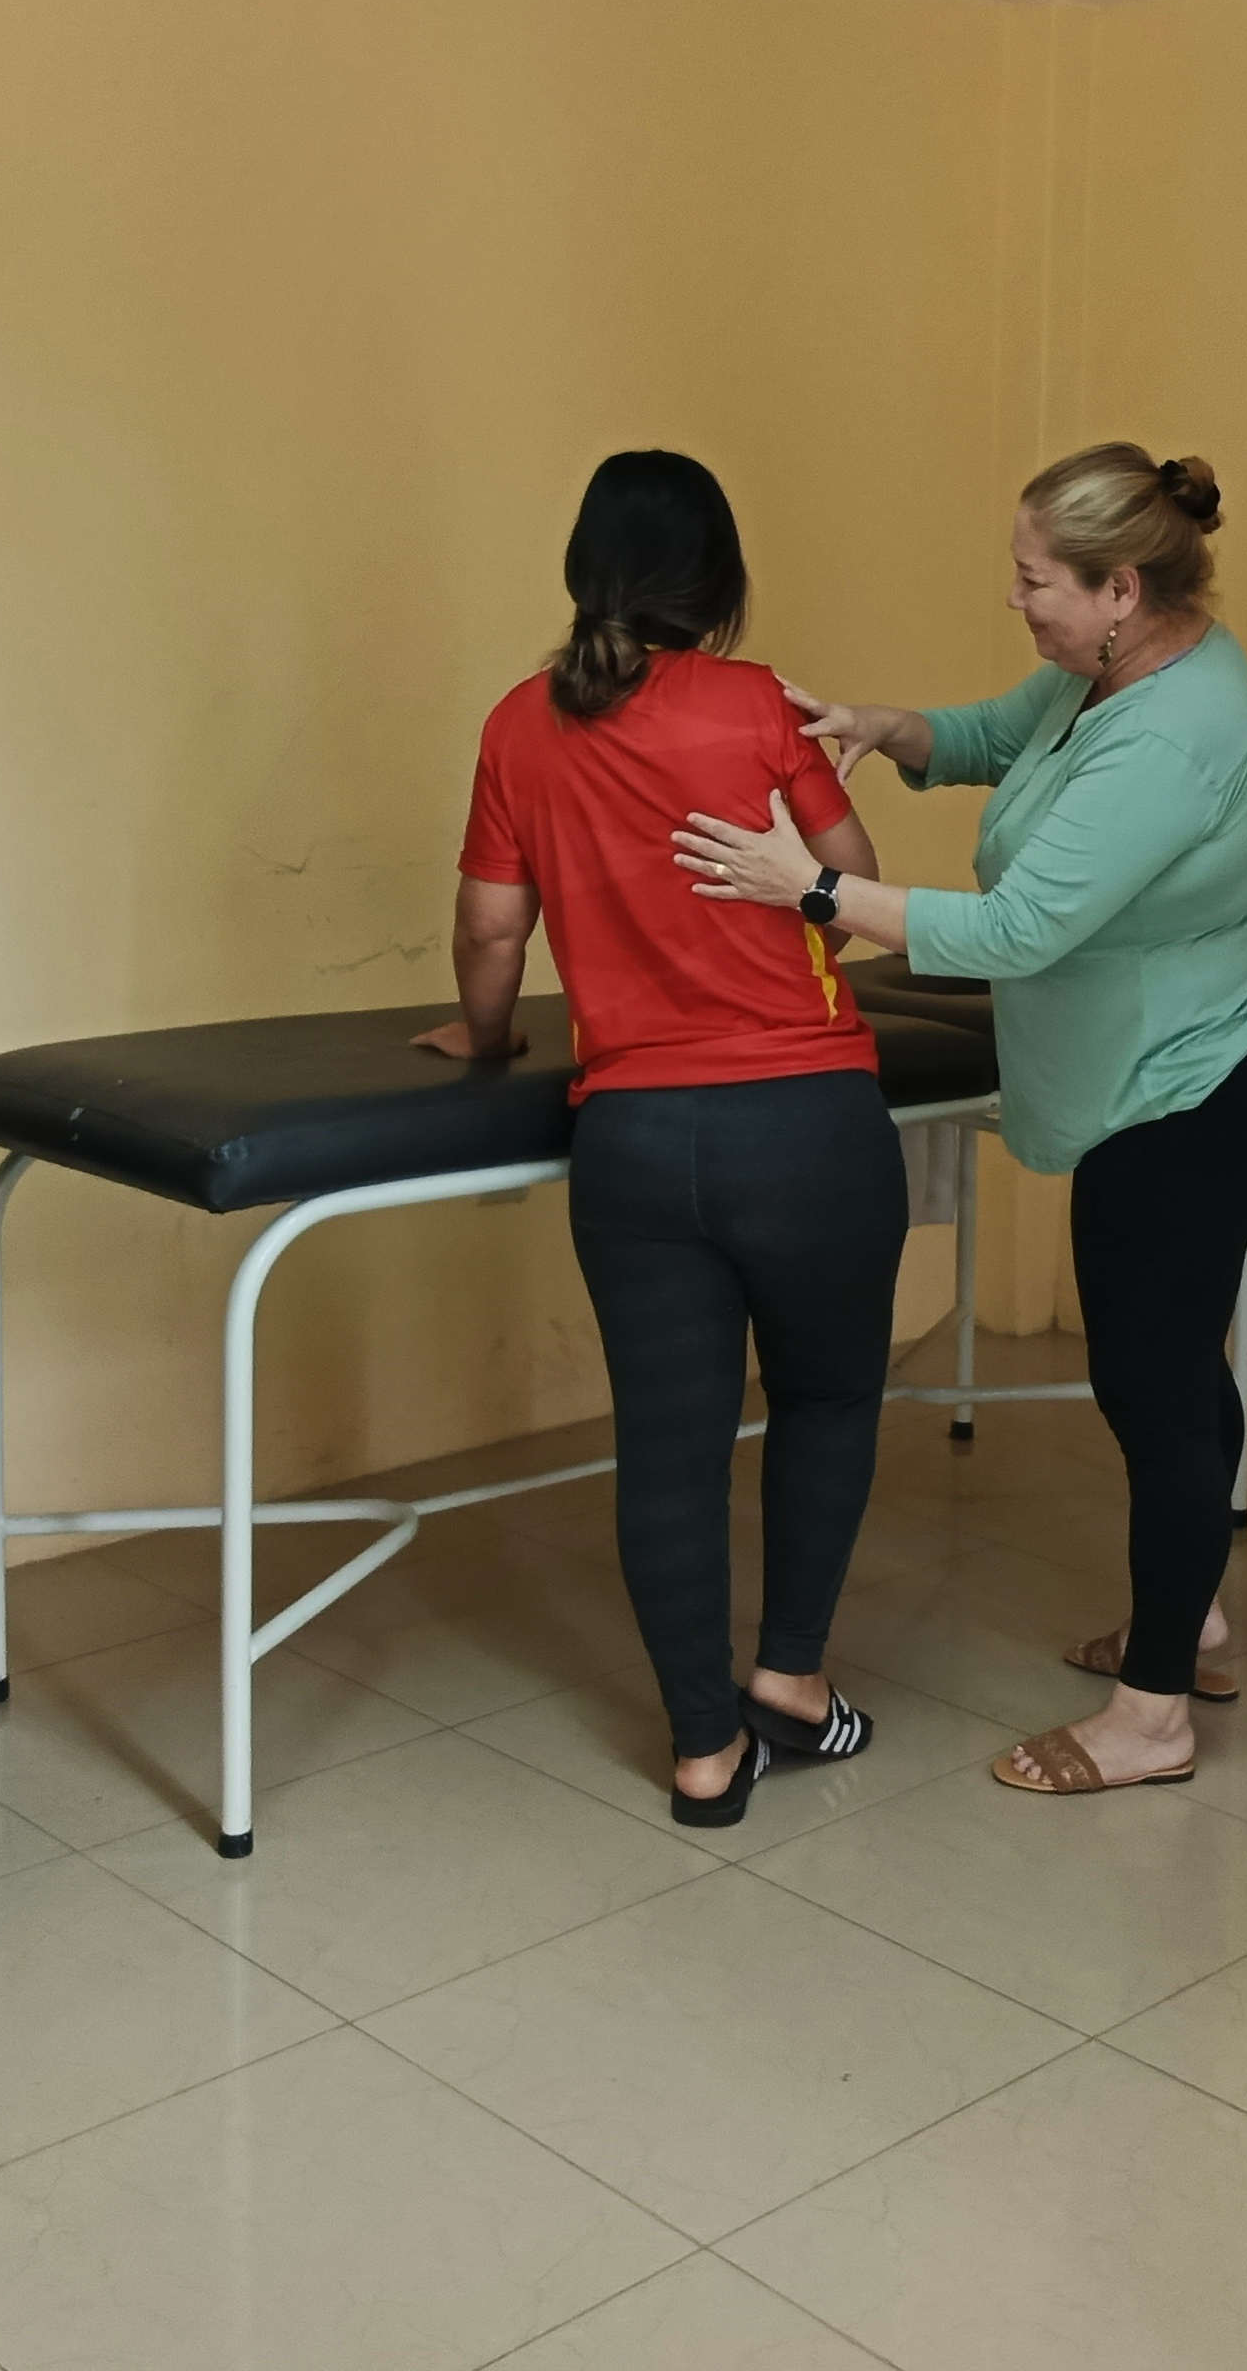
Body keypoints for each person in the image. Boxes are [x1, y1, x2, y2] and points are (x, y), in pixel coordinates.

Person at [678, 445, 1247, 1798]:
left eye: (1034, 582)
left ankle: (1153, 1716)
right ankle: (1188, 1622)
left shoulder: (1171, 734)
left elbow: (1017, 931)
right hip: (1165, 1074)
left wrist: (808, 890)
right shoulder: (1115, 666)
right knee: (1173, 1375)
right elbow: (994, 734)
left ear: (1120, 589)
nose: (1016, 601)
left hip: (1191, 1097)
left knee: (1153, 1390)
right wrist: (882, 726)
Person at [419, 453, 901, 1827]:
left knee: (669, 1446)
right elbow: (854, 888)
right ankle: (791, 1683)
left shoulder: (519, 724)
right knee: (825, 1401)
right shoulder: (756, 706)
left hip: (631, 1139)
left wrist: (488, 1037)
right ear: (719, 582)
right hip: (807, 1125)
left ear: (585, 570)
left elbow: (491, 931)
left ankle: (704, 1751)